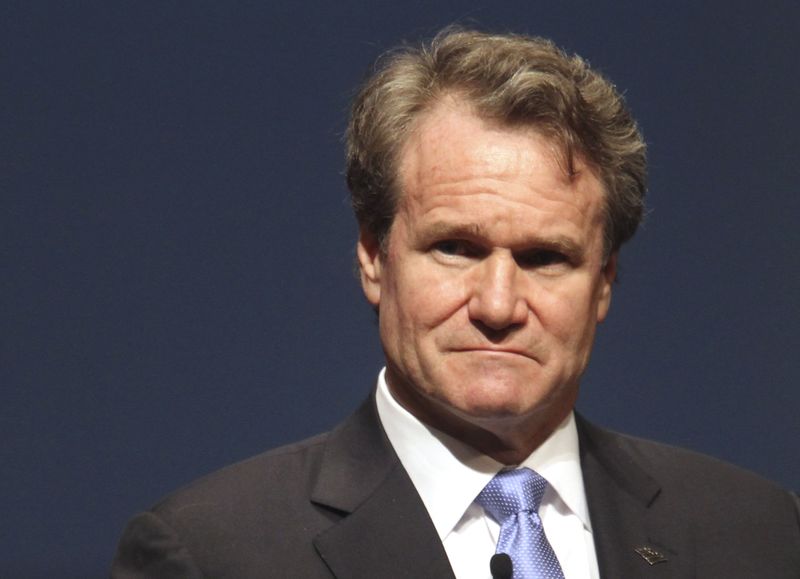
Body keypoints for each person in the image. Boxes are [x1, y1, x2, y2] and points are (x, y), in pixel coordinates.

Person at [111, 28, 800, 578]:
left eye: (545, 257)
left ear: (605, 283)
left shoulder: (759, 533)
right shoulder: (211, 554)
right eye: (456, 248)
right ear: (374, 259)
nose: (498, 304)